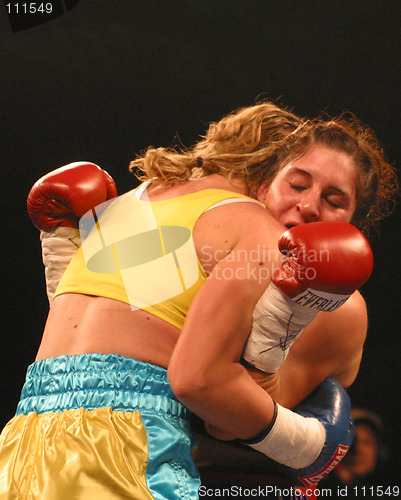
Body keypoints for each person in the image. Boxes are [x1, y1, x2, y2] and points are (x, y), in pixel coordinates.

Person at [0, 100, 397, 499]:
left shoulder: (137, 203)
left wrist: (61, 246)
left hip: (23, 439)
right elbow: (208, 395)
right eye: (297, 184)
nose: (308, 205)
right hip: (135, 445)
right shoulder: (253, 230)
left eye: (333, 199)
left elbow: (105, 337)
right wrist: (309, 445)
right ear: (264, 181)